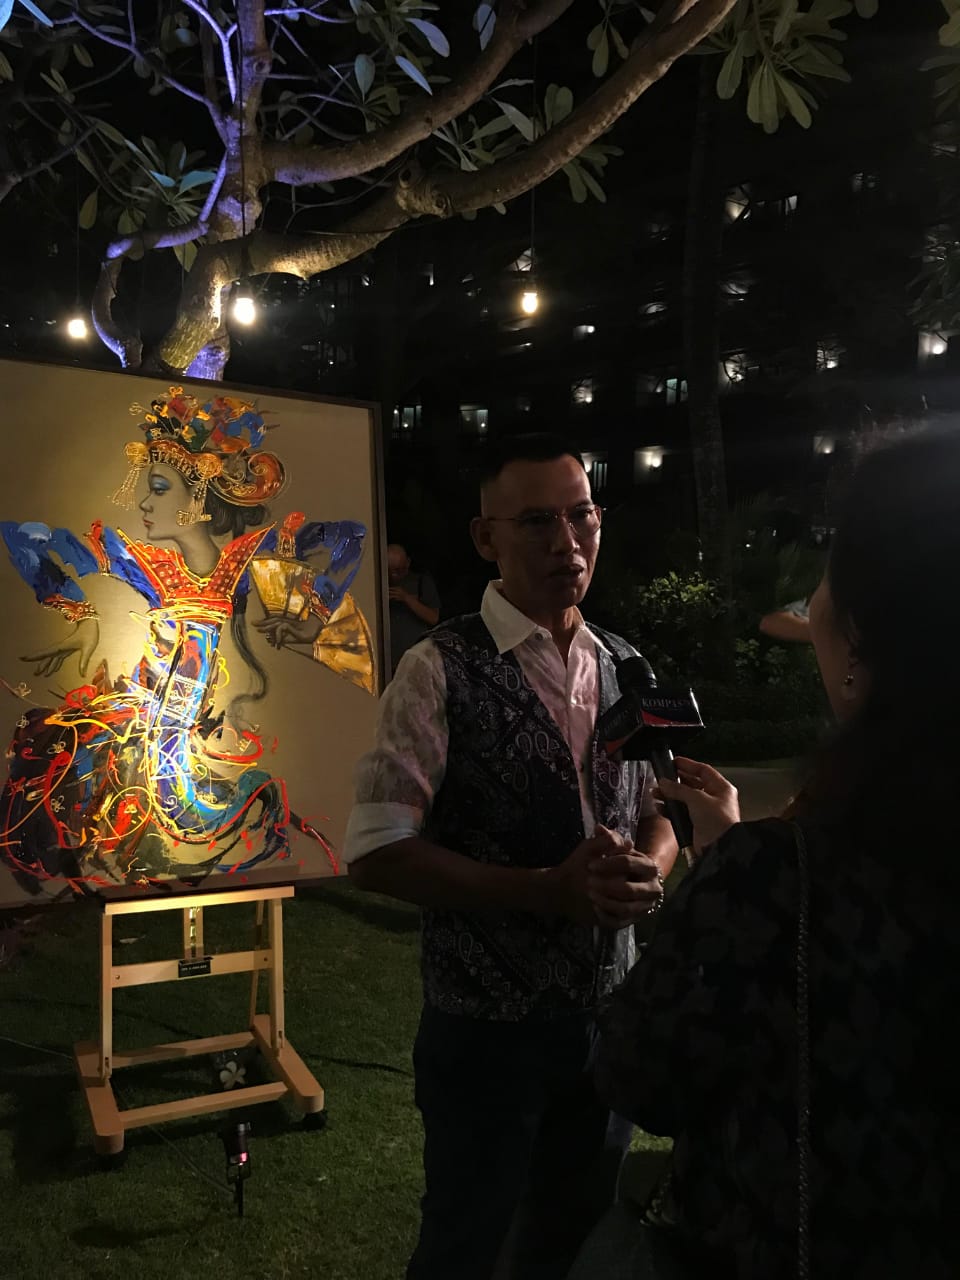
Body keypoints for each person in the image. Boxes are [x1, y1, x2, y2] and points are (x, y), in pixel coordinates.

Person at [594, 429, 960, 1279]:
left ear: (859, 633)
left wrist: (737, 880)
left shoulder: (775, 880)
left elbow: (640, 1072)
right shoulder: (778, 873)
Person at [344, 434, 678, 1280]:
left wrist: (651, 866)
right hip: (485, 1032)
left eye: (581, 516)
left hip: (609, 1021)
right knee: (469, 1244)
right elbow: (377, 851)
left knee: (575, 1242)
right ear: (485, 536)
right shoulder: (437, 670)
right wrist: (544, 891)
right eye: (536, 522)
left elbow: (660, 809)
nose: (568, 542)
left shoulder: (626, 666)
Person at [0, 388, 374, 896]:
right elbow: (20, 536)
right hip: (142, 731)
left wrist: (314, 617)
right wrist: (80, 613)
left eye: (158, 489)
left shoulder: (240, 561)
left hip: (173, 746)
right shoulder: (146, 563)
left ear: (198, 497)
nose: (143, 503)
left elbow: (350, 536)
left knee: (192, 816)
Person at [387, 542, 440, 675]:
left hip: (415, 662)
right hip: (387, 663)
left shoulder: (421, 582)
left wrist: (406, 598)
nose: (394, 576)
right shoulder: (378, 582)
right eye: (390, 571)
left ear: (408, 563)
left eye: (399, 570)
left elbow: (433, 617)